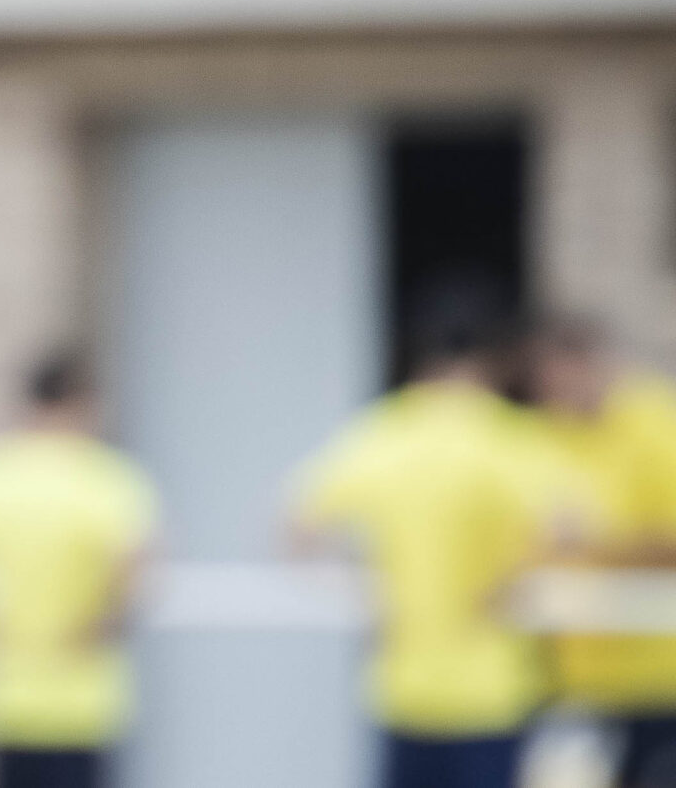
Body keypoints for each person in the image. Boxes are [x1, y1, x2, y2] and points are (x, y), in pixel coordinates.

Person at [290, 304, 582, 788]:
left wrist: (365, 592)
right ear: (491, 364)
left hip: (403, 686)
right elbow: (571, 528)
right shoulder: (508, 436)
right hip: (491, 688)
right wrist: (511, 582)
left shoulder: (385, 430)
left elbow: (297, 529)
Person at [0, 349, 157, 788]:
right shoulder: (105, 478)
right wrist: (99, 626)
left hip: (0, 697)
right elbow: (137, 567)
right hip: (83, 703)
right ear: (85, 405)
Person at [532, 315, 676, 788]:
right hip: (575, 677)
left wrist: (595, 547)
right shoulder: (548, 430)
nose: (560, 391)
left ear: (600, 365)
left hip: (656, 677)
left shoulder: (656, 422)